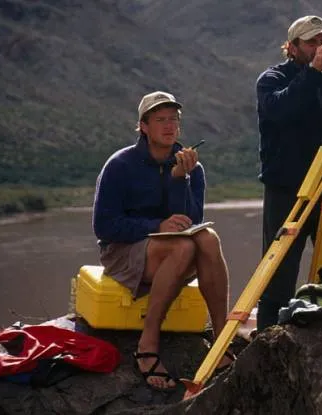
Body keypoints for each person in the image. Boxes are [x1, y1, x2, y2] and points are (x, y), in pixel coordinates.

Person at [92, 91, 234, 390]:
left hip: (169, 251)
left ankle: (221, 339)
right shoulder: (120, 165)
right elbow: (104, 226)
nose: (169, 126)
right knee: (182, 246)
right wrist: (156, 225)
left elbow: (191, 220)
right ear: (143, 126)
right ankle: (148, 343)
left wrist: (179, 179)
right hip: (122, 250)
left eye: (174, 120)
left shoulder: (191, 166)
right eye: (160, 120)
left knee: (207, 238)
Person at [254, 15, 322, 330]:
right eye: (311, 42)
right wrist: (315, 71)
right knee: (278, 278)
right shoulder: (271, 79)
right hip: (287, 188)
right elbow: (281, 111)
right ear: (292, 47)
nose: (320, 47)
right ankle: (266, 343)